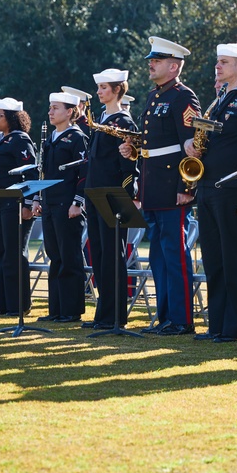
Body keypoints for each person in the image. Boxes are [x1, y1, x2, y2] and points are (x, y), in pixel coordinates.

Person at [184, 43, 237, 343]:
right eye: (218, 61)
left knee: (234, 260)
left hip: (233, 190)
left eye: (225, 62)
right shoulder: (218, 100)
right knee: (214, 260)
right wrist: (191, 146)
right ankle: (218, 324)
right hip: (207, 188)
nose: (218, 67)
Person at [120, 36, 201, 336]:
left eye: (157, 60)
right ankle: (166, 316)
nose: (151, 64)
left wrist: (186, 187)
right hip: (153, 186)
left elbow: (192, 149)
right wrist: (133, 149)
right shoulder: (155, 97)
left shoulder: (184, 97)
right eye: (151, 60)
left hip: (172, 187)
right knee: (158, 256)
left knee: (175, 254)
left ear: (174, 65)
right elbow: (153, 145)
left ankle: (181, 319)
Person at [82, 68, 139, 330]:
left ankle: (114, 314)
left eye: (104, 88)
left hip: (113, 195)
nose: (99, 92)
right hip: (94, 194)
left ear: (117, 90)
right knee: (100, 255)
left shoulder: (124, 122)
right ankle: (102, 314)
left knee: (112, 256)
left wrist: (125, 197)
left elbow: (129, 166)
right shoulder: (101, 118)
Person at [32, 92, 88, 323]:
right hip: (50, 202)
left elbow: (83, 173)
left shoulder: (76, 137)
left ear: (70, 111)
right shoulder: (50, 137)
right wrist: (37, 198)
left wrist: (78, 202)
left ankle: (71, 309)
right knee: (54, 256)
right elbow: (43, 172)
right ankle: (56, 308)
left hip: (68, 204)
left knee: (70, 256)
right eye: (50, 108)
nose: (51, 112)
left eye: (56, 108)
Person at [0, 97, 38, 317]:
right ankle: (3, 303)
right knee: (0, 252)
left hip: (14, 204)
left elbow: (31, 172)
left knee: (14, 254)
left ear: (12, 118)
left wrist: (27, 203)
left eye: (0, 115)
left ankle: (18, 304)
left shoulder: (19, 140)